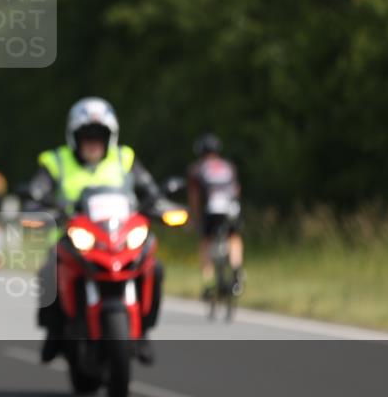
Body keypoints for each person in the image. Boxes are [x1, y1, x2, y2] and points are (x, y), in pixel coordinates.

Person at [28, 97, 172, 365]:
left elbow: (150, 190)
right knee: (50, 269)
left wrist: (162, 205)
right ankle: (54, 331)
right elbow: (37, 192)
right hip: (71, 235)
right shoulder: (55, 160)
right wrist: (38, 205)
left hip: (120, 236)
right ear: (74, 137)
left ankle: (143, 332)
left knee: (155, 267)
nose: (93, 142)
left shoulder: (125, 158)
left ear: (111, 137)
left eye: (99, 136)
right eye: (86, 136)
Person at [187, 133, 244, 296]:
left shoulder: (197, 168)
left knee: (206, 242)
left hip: (212, 209)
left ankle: (208, 284)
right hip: (231, 207)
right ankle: (236, 271)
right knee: (234, 237)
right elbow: (237, 189)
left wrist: (195, 219)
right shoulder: (229, 166)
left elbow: (195, 197)